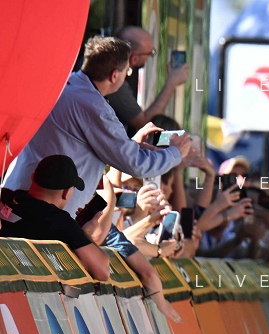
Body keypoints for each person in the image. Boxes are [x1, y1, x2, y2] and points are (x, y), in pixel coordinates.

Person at [2, 36, 190, 220]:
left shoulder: (63, 85)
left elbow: (79, 143)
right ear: (114, 75)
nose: (126, 76)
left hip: (17, 197)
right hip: (41, 215)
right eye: (127, 72)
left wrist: (131, 144)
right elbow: (136, 164)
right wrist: (176, 152)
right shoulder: (93, 107)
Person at [0, 154, 111, 280]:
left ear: (33, 177)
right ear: (66, 192)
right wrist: (85, 233)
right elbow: (103, 272)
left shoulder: (5, 196)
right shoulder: (61, 222)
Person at [107, 26, 190, 136]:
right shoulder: (114, 81)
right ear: (134, 59)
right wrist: (171, 83)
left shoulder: (109, 72)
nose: (148, 58)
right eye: (150, 54)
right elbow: (143, 123)